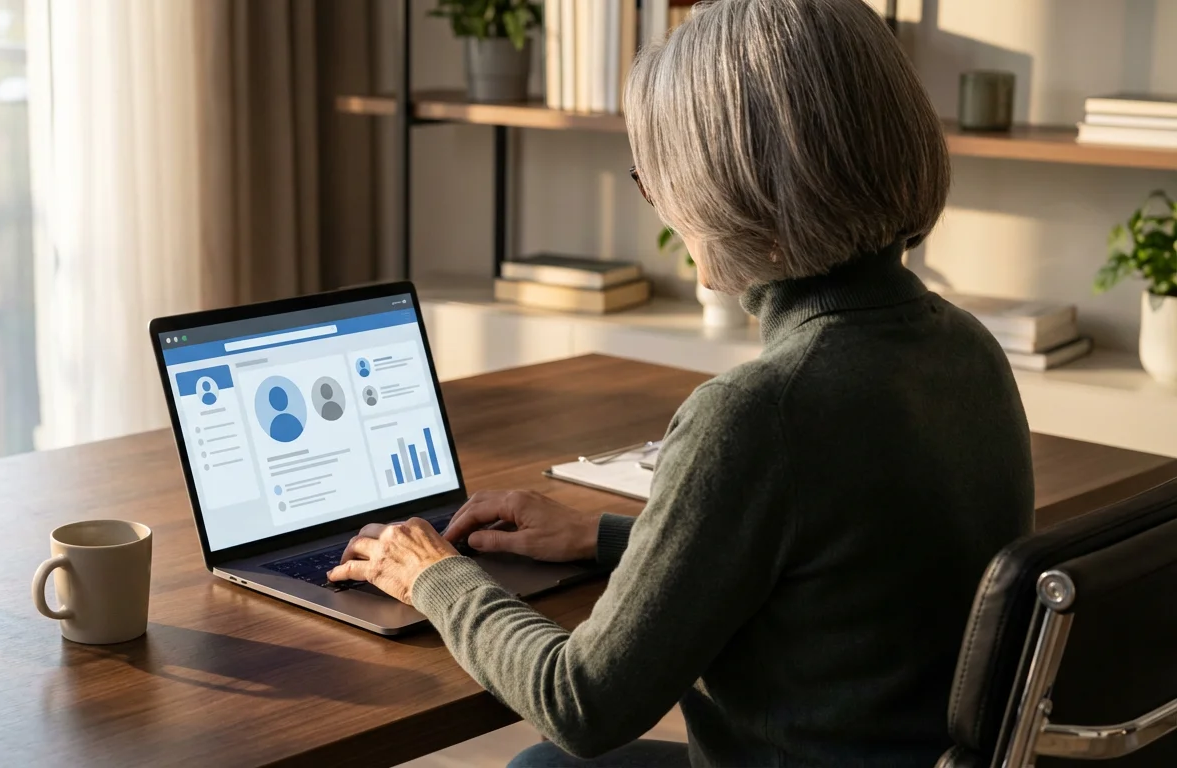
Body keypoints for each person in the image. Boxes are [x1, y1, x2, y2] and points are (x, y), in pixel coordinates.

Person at [327, 0, 1034, 764]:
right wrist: (600, 538)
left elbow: (582, 702)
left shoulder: (758, 415)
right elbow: (836, 566)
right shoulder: (965, 347)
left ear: (733, 187)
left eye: (656, 177)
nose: (657, 201)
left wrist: (436, 576)